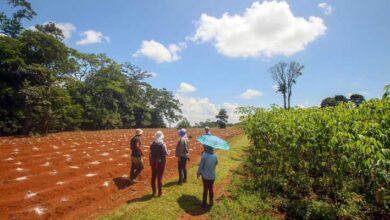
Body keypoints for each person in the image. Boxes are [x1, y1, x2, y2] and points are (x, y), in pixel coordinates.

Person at [150, 130, 169, 197]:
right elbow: (166, 153)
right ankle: (160, 193)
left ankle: (153, 191)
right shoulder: (163, 144)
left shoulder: (152, 144)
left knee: (153, 176)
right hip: (160, 161)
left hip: (153, 161)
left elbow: (151, 153)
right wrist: (168, 152)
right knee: (159, 177)